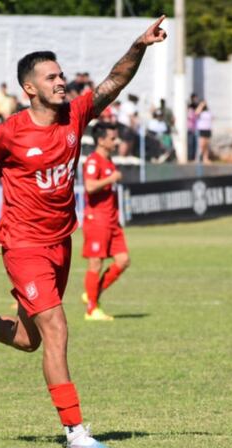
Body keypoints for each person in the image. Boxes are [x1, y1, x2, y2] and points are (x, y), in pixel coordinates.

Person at [0, 16, 167, 448]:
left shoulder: (74, 115)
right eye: (51, 78)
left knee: (28, 337)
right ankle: (75, 431)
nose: (61, 82)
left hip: (61, 242)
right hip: (22, 245)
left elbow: (115, 81)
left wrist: (140, 46)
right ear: (30, 89)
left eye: (61, 75)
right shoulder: (9, 132)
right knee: (56, 329)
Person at [80, 122, 130, 321]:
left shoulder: (109, 161)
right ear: (101, 141)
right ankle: (92, 309)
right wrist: (111, 179)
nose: (115, 141)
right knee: (96, 263)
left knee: (123, 260)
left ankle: (92, 294)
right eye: (112, 138)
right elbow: (90, 186)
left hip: (112, 220)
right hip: (97, 219)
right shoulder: (93, 161)